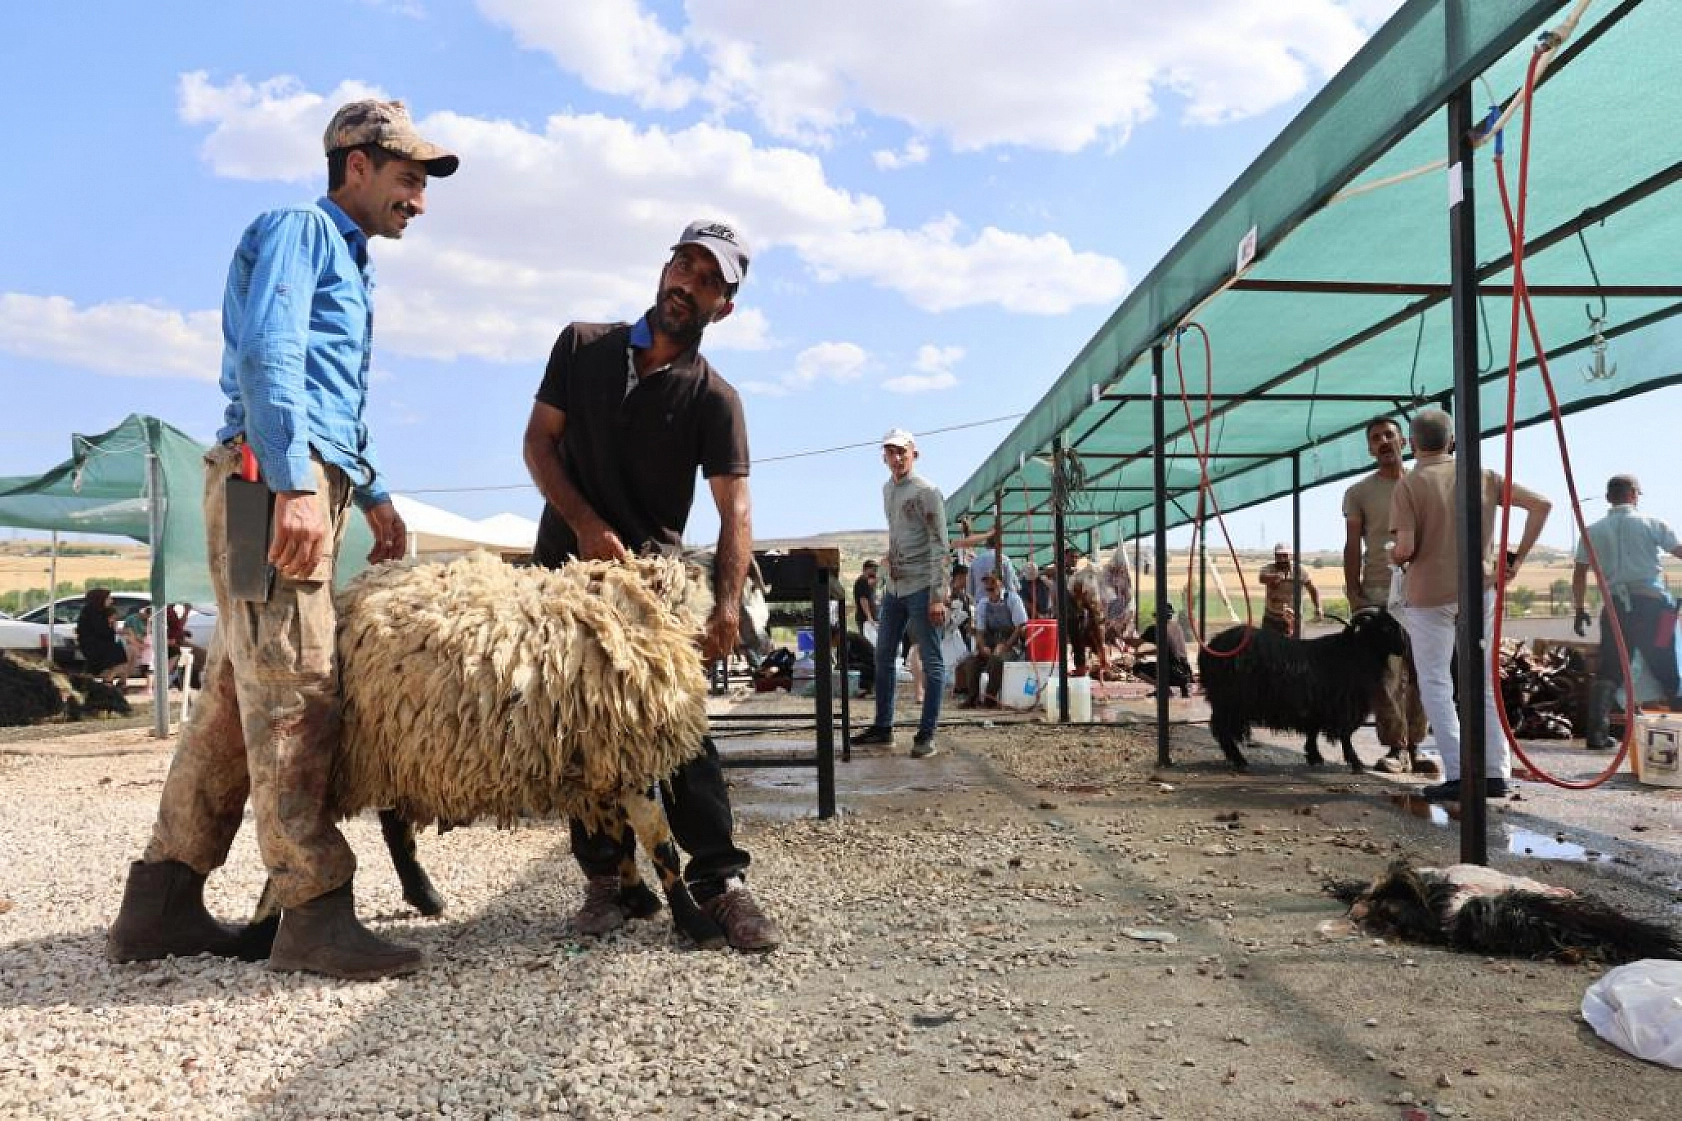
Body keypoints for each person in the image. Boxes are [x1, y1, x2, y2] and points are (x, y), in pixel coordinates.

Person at [107, 99, 457, 981]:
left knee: (237, 698)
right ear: (356, 165)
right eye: (408, 178)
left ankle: (162, 901)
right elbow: (270, 353)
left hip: (296, 471)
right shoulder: (303, 228)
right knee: (298, 690)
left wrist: (369, 494)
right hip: (274, 477)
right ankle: (312, 910)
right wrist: (296, 481)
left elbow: (328, 388)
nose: (418, 198)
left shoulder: (344, 254)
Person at [522, 218, 780, 952]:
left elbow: (737, 506)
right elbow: (539, 442)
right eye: (685, 265)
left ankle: (720, 880)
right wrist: (582, 523)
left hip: (654, 583)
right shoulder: (582, 346)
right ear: (665, 266)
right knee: (576, 722)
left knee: (678, 724)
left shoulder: (714, 398)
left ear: (722, 308)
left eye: (709, 281)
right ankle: (609, 877)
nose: (688, 285)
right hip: (565, 573)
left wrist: (728, 602)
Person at [1390, 408, 1551, 802]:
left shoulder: (1409, 484)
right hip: (1479, 589)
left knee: (1436, 682)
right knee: (1482, 680)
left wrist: (1394, 556)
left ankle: (1460, 774)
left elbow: (1406, 547)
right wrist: (1515, 560)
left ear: (1412, 443)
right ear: (1451, 441)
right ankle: (1495, 773)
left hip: (1429, 596)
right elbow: (1542, 505)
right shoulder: (1484, 475)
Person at [850, 428, 950, 758]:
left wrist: (939, 594)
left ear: (914, 454)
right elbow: (898, 534)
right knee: (883, 655)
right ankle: (883, 727)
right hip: (895, 587)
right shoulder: (887, 490)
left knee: (932, 660)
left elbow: (939, 543)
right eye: (890, 453)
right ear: (884, 457)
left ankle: (927, 734)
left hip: (923, 586)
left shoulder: (927, 491)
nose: (896, 458)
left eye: (901, 452)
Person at [1341, 416, 1432, 775]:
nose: (1383, 442)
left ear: (1404, 442)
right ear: (1369, 447)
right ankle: (1396, 747)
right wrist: (1354, 593)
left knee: (1425, 670)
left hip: (1426, 589)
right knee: (1387, 673)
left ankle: (1418, 744)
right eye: (1375, 437)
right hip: (1379, 590)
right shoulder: (1359, 493)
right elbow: (1351, 544)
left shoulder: (1425, 483)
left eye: (1389, 435)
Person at [1571, 474, 1682, 747]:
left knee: (1611, 666)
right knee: (1669, 665)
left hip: (1615, 609)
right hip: (1657, 610)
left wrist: (1579, 609)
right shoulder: (1653, 524)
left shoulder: (1592, 531)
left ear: (1609, 498)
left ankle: (1596, 735)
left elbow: (1579, 573)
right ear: (1634, 494)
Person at [954, 571, 1028, 707]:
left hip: (1012, 644)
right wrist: (982, 647)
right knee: (971, 661)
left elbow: (1020, 627)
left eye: (992, 582)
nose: (989, 585)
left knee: (997, 660)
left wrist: (1006, 646)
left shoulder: (1013, 599)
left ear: (1000, 583)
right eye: (986, 582)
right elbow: (980, 630)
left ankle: (990, 699)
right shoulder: (983, 603)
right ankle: (972, 698)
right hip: (991, 642)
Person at [1126, 603, 1192, 698]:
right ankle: (1174, 688)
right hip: (1186, 673)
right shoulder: (1177, 627)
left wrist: (1119, 637)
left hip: (1172, 673)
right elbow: (1165, 650)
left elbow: (1136, 643)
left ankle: (1163, 689)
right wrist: (1143, 654)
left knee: (1137, 668)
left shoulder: (1156, 628)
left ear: (1157, 616)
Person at [1259, 543, 1321, 636]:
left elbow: (1312, 589)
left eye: (1285, 556)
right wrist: (1274, 577)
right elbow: (1262, 578)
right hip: (1272, 618)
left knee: (1296, 647)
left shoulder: (1300, 570)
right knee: (1268, 647)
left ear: (1291, 556)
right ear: (1275, 556)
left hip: (1294, 618)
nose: (1282, 559)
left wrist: (1318, 607)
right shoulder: (1268, 569)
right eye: (1278, 556)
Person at [75, 588, 128, 683]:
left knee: (118, 662)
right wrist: (111, 626)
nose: (111, 601)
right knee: (120, 661)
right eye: (108, 598)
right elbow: (102, 631)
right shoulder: (92, 613)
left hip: (102, 644)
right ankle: (107, 682)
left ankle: (108, 682)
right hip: (94, 646)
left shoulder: (101, 611)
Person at [853, 559, 880, 634]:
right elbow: (863, 599)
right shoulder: (862, 581)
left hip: (870, 618)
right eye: (873, 568)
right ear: (866, 569)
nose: (875, 571)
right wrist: (869, 618)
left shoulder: (868, 582)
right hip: (865, 619)